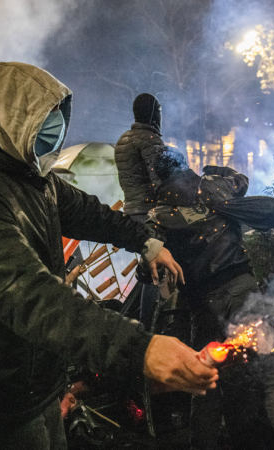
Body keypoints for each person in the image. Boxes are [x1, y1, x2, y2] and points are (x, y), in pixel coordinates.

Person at [0, 61, 218, 450]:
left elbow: (90, 214)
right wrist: (138, 348)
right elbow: (24, 292)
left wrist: (147, 243)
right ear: (10, 120)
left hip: (37, 375)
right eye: (43, 123)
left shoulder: (29, 174)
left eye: (56, 120)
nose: (54, 134)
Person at [140, 150, 274, 450]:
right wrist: (218, 169)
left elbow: (147, 272)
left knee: (204, 384)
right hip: (242, 289)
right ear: (184, 165)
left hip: (201, 304)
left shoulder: (157, 215)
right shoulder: (212, 184)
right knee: (272, 378)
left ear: (158, 176)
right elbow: (241, 182)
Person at [115, 93, 167, 328]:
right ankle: (147, 328)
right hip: (151, 214)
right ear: (153, 112)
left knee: (148, 269)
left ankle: (136, 320)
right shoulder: (149, 139)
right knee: (155, 275)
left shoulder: (124, 139)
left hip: (132, 211)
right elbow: (163, 181)